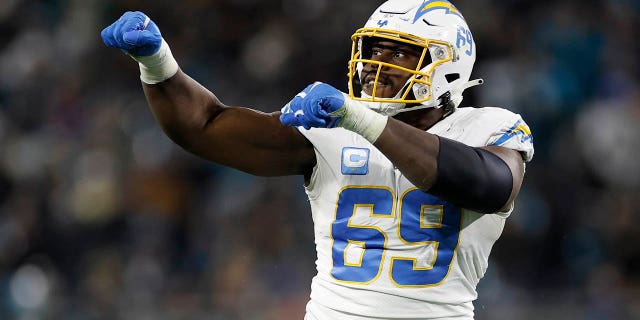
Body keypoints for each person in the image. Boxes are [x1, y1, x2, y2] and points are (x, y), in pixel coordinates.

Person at [101, 0, 534, 319]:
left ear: (448, 67)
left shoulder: (488, 127)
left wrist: (359, 119)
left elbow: (488, 185)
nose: (373, 64)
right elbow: (205, 127)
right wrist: (158, 63)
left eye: (397, 52)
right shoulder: (337, 124)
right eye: (373, 49)